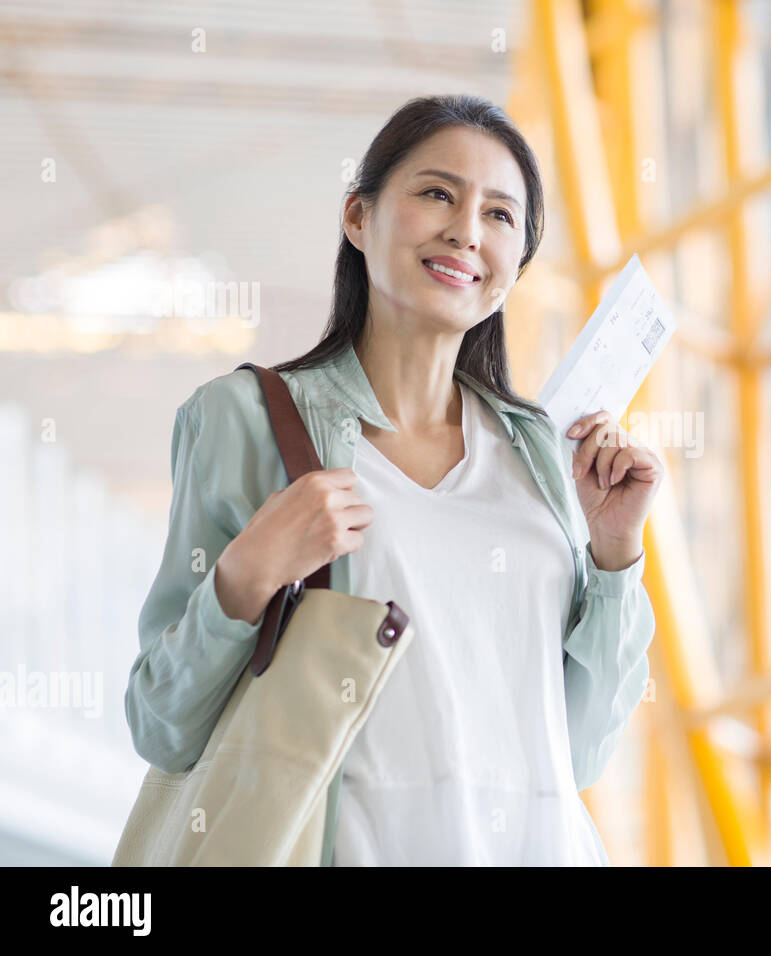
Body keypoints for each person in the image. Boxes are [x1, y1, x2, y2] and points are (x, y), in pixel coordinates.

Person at [124, 94, 662, 865]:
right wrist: (244, 576)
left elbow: (579, 752)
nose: (465, 231)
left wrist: (614, 553)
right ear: (358, 218)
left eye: (501, 215)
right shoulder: (245, 420)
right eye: (437, 193)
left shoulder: (541, 455)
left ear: (516, 266)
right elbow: (160, 722)